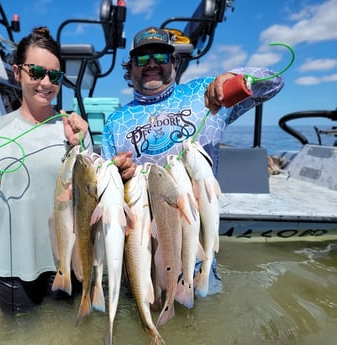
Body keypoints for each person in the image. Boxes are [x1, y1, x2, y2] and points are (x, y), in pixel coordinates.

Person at [102, 27, 284, 295]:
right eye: (141, 59)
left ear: (173, 62)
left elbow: (274, 83)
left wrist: (235, 77)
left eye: (161, 56)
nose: (151, 64)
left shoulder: (204, 93)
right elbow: (108, 196)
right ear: (130, 68)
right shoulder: (115, 123)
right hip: (145, 247)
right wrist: (118, 173)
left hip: (196, 244)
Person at [0, 27, 91, 314]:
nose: (46, 82)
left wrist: (78, 150)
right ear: (17, 72)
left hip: (66, 264)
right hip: (11, 268)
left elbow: (89, 202)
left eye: (55, 76)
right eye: (36, 72)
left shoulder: (74, 130)